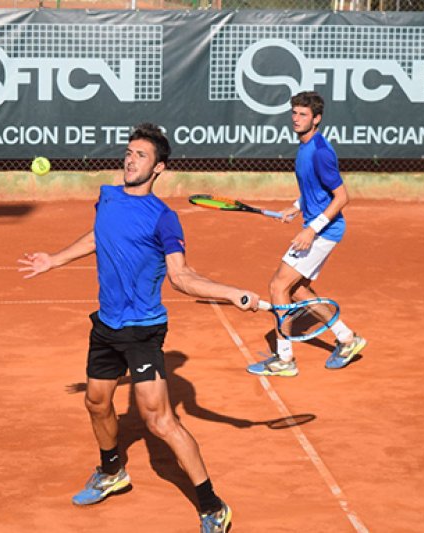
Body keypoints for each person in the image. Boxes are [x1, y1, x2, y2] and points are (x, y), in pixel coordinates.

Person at [18, 123, 260, 533]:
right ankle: (112, 471)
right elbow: (100, 235)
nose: (130, 160)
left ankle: (212, 505)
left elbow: (181, 277)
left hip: (142, 330)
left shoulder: (164, 219)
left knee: (160, 421)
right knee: (96, 402)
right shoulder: (108, 197)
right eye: (129, 153)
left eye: (141, 155)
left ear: (158, 167)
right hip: (106, 323)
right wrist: (55, 259)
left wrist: (232, 293)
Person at [247, 91, 367, 378]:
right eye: (294, 113)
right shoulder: (305, 147)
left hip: (324, 231)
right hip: (318, 227)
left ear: (316, 119)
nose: (296, 119)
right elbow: (316, 190)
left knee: (278, 286)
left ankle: (284, 359)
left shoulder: (321, 152)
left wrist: (311, 230)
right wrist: (296, 206)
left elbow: (341, 197)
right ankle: (347, 338)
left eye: (303, 114)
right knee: (298, 290)